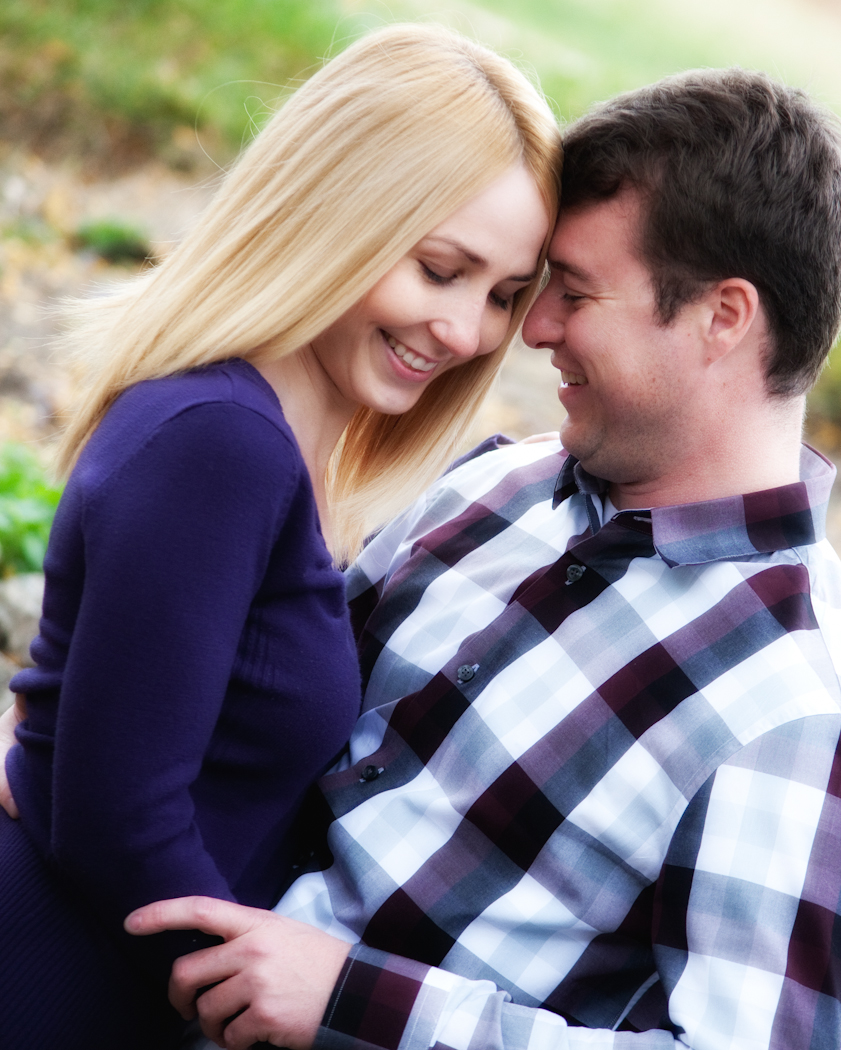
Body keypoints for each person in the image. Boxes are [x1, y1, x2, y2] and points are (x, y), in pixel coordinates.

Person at [132, 70, 841, 1050]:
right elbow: (257, 694)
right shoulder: (500, 486)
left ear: (724, 317)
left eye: (573, 294)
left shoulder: (806, 710)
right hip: (155, 966)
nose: (531, 330)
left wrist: (357, 1002)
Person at [0, 24, 559, 1050]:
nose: (465, 330)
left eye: (503, 296)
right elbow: (118, 817)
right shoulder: (221, 443)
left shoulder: (289, 456)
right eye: (440, 269)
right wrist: (263, 1012)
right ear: (336, 212)